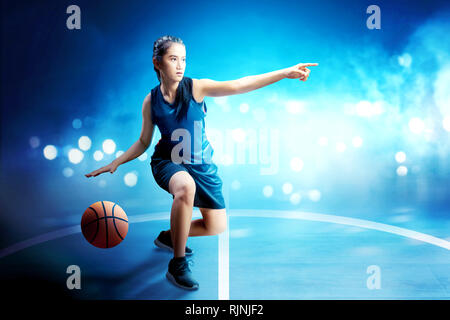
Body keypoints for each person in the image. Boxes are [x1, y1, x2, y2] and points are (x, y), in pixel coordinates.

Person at [85, 35, 318, 290]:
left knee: (215, 226)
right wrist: (116, 162)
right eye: (173, 59)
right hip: (168, 162)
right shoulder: (150, 102)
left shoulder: (196, 87)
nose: (180, 65)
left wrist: (285, 73)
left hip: (202, 165)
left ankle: (170, 236)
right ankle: (178, 263)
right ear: (157, 63)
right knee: (185, 188)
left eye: (183, 59)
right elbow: (143, 141)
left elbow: (240, 85)